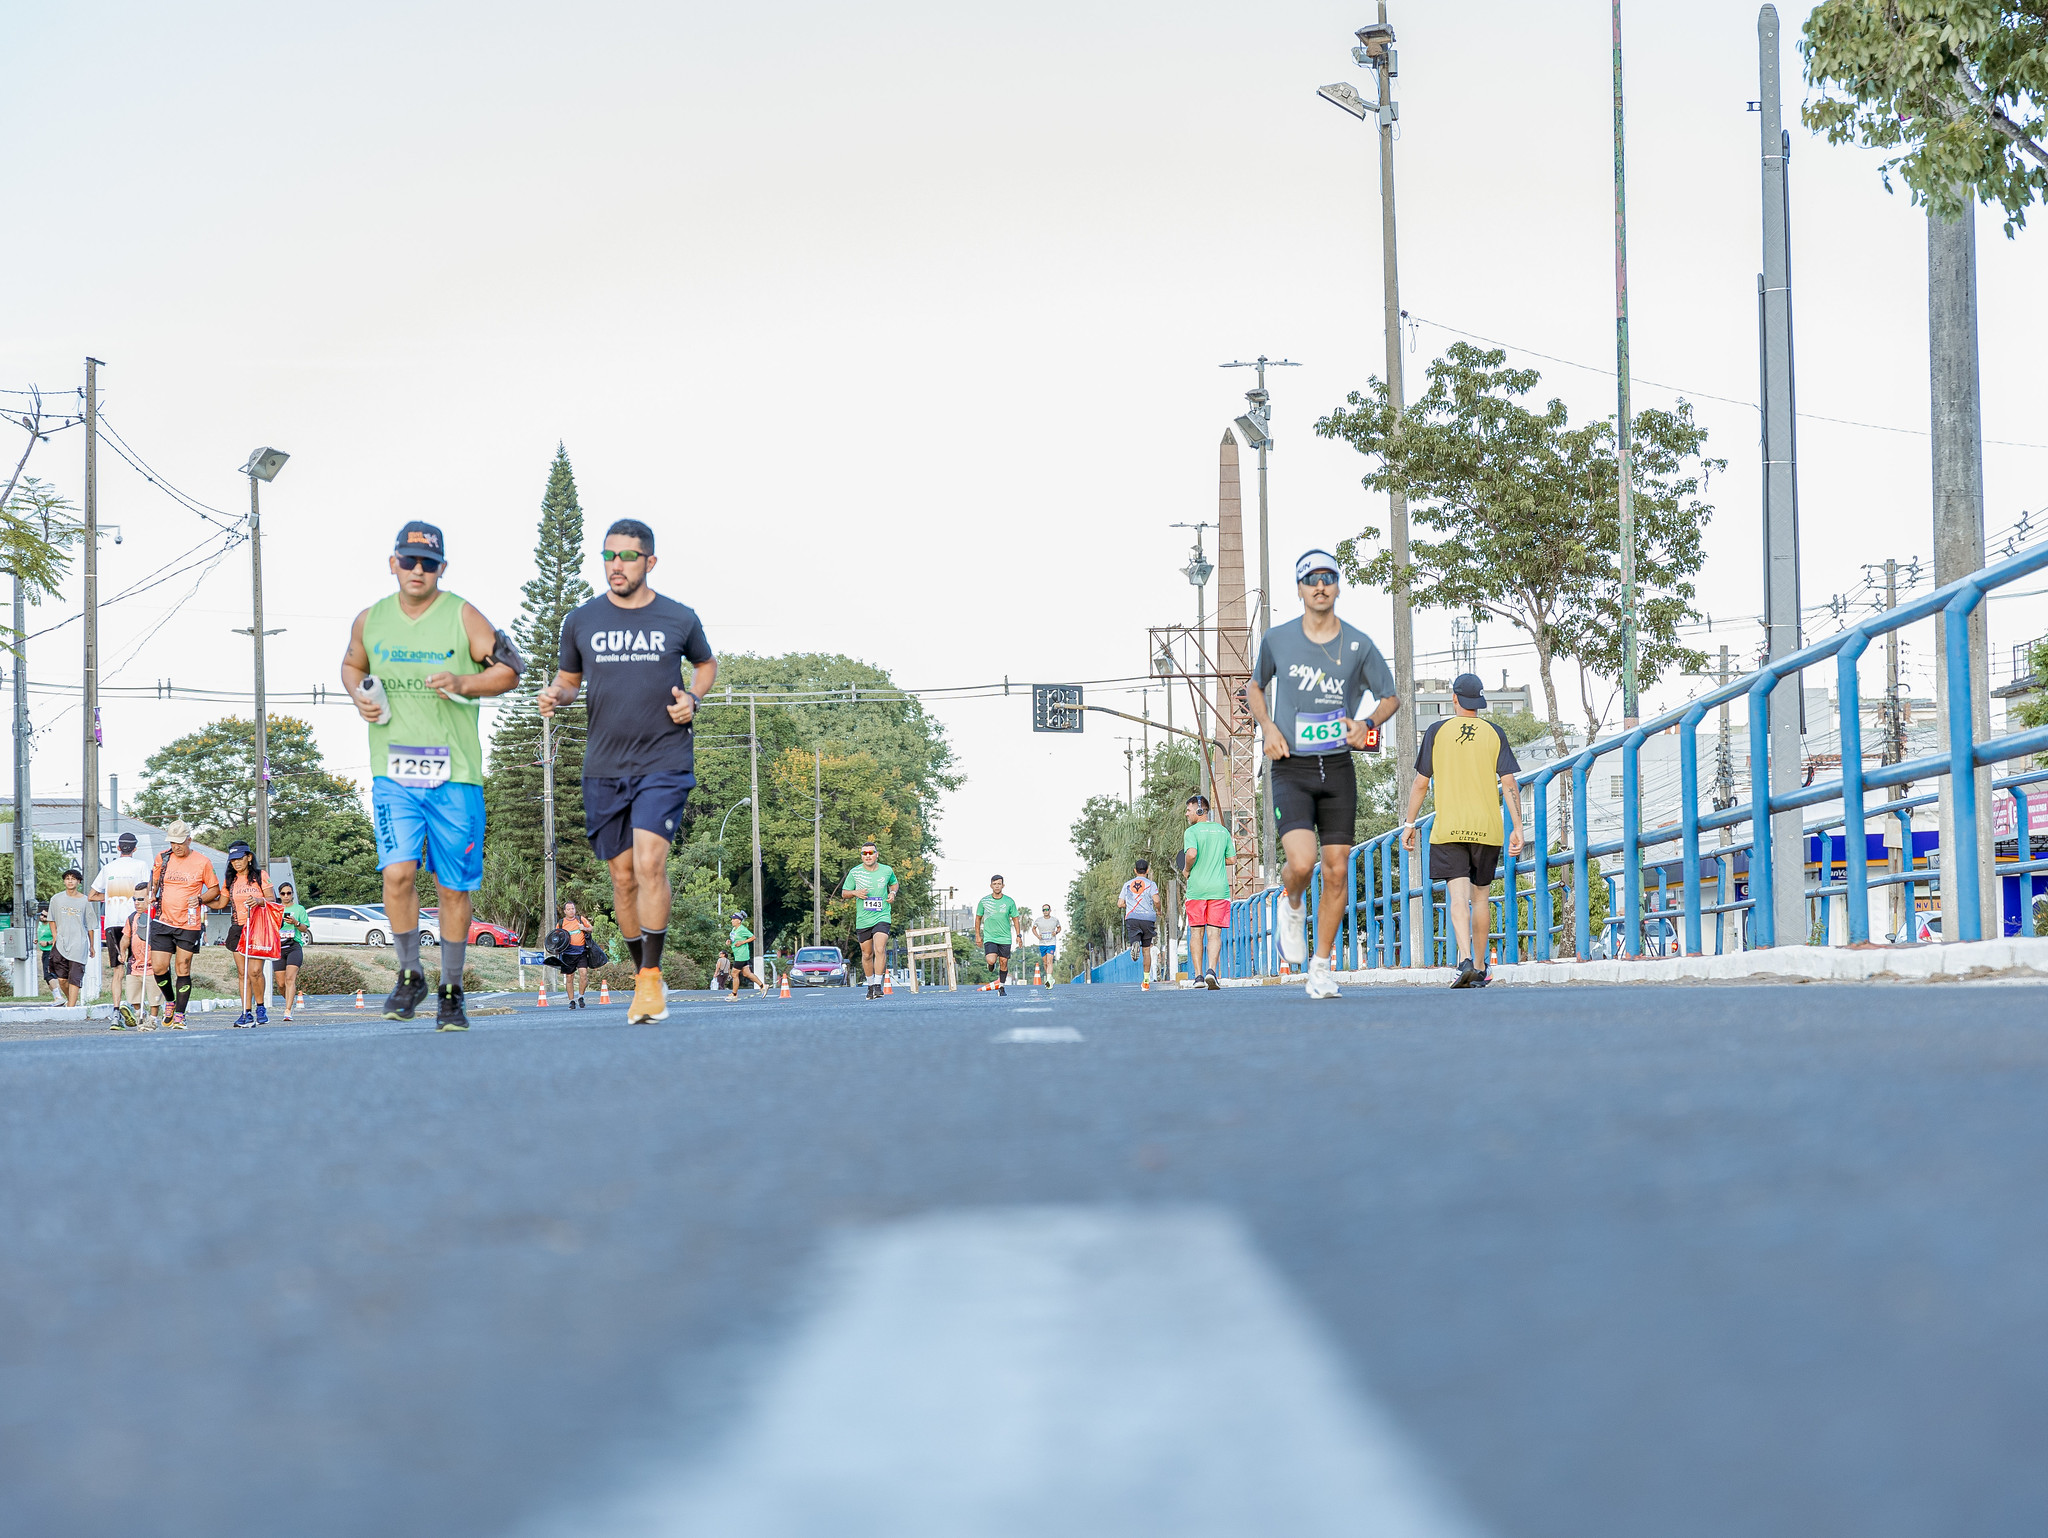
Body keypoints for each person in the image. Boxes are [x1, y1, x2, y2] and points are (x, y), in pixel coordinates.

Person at [342, 519, 522, 1031]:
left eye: (427, 563)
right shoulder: (370, 620)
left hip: (455, 775)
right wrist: (358, 695)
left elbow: (511, 670)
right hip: (393, 774)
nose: (416, 570)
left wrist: (465, 679)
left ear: (441, 568)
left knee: (452, 888)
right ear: (392, 563)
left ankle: (451, 987)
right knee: (397, 872)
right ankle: (410, 973)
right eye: (408, 560)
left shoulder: (462, 615)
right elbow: (351, 666)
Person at [539, 518, 717, 1025]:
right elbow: (570, 680)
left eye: (628, 556)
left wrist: (694, 698)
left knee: (649, 864)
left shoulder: (678, 618)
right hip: (604, 768)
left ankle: (650, 978)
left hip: (664, 761)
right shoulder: (581, 621)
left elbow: (705, 664)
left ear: (650, 562)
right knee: (621, 878)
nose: (616, 565)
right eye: (608, 555)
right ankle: (644, 972)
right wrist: (557, 694)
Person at [1247, 547, 1402, 1002]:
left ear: (1337, 586)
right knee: (1302, 862)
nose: (1320, 586)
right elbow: (1255, 687)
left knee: (1337, 871)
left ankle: (1321, 967)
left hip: (1337, 766)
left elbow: (1390, 697)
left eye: (1328, 578)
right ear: (1299, 589)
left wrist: (1368, 724)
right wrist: (1268, 726)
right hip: (1290, 767)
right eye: (1311, 579)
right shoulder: (1278, 640)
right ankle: (1291, 903)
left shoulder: (1358, 644)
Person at [1402, 672, 1525, 988]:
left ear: (1454, 698)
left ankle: (1465, 959)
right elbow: (1509, 782)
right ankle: (1481, 968)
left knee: (1457, 897)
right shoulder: (1494, 733)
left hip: (1450, 828)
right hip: (1488, 828)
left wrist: (1410, 824)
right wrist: (1518, 828)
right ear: (1480, 702)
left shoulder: (1436, 731)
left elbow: (1420, 783)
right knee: (1480, 898)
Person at [147, 821, 218, 1028]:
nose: (176, 846)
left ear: (189, 839)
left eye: (180, 842)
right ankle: (170, 1000)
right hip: (163, 919)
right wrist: (152, 895)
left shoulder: (202, 862)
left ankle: (180, 1014)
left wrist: (201, 899)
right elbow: (155, 882)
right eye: (172, 842)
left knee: (183, 967)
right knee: (159, 967)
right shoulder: (163, 857)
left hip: (189, 922)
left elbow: (214, 889)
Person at [91, 831, 151, 1018]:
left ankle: (116, 1010)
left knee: (118, 970)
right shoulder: (141, 865)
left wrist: (110, 896)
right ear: (135, 848)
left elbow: (92, 895)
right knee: (138, 966)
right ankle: (138, 1008)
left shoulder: (108, 867)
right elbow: (146, 893)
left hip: (112, 922)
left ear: (118, 848)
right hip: (134, 921)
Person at [219, 842, 278, 1026]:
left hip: (257, 927)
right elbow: (221, 902)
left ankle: (260, 1006)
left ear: (249, 857)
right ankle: (246, 1012)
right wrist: (199, 901)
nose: (236, 863)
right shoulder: (231, 880)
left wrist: (259, 901)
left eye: (240, 858)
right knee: (242, 972)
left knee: (255, 971)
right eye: (233, 860)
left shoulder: (260, 876)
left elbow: (272, 899)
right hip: (238, 928)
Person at [1181, 793, 1236, 990]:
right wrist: (1213, 858)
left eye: (1188, 811)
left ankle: (1197, 977)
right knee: (1214, 934)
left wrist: (1187, 869)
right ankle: (1211, 971)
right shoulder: (1223, 831)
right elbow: (1232, 859)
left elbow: (1192, 853)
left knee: (1197, 933)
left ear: (1199, 810)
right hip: (1219, 890)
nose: (1186, 815)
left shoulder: (1192, 832)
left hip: (1197, 890)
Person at [839, 842, 898, 1000]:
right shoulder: (855, 872)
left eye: (870, 852)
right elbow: (844, 893)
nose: (868, 856)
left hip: (882, 915)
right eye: (864, 853)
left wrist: (892, 893)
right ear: (861, 856)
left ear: (877, 854)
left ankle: (878, 985)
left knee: (880, 948)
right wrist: (855, 892)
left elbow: (894, 883)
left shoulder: (887, 870)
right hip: (864, 919)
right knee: (867, 954)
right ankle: (870, 986)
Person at [46, 869, 91, 1007]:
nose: (70, 881)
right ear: (64, 881)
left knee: (75, 977)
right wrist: (55, 936)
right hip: (61, 942)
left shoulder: (85, 900)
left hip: (79, 943)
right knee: (62, 979)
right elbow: (51, 919)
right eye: (67, 878)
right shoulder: (56, 899)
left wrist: (93, 945)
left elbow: (89, 924)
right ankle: (72, 1003)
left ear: (78, 881)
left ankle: (71, 1009)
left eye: (73, 878)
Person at [974, 875, 1020, 996]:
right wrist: (978, 935)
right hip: (990, 937)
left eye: (999, 884)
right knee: (991, 959)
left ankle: (1001, 987)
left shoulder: (1009, 901)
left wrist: (1018, 935)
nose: (997, 886)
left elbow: (1015, 918)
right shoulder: (984, 901)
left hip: (1005, 937)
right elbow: (978, 918)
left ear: (1003, 886)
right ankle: (991, 965)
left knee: (1004, 962)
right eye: (995, 884)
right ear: (991, 886)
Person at [1119, 859, 1159, 983]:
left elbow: (1120, 903)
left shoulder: (1127, 884)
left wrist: (1130, 905)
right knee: (1146, 950)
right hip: (1148, 919)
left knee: (1135, 938)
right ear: (1147, 870)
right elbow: (1156, 901)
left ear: (1135, 870)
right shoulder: (1151, 884)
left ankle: (1134, 943)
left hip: (1132, 918)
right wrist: (1159, 911)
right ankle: (1146, 981)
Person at [276, 882, 309, 1021]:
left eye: (288, 893)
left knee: (290, 978)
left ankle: (288, 1010)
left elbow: (305, 928)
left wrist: (295, 922)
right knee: (281, 984)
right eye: (283, 893)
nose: (286, 896)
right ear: (279, 895)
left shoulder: (299, 909)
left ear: (292, 894)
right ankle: (290, 998)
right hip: (278, 946)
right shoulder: (276, 908)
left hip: (294, 945)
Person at [558, 900, 594, 1008]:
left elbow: (591, 928)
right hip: (568, 953)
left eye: (572, 909)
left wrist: (584, 928)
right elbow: (555, 937)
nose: (571, 911)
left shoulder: (580, 919)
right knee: (569, 977)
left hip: (581, 951)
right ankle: (571, 1001)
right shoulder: (561, 923)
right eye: (568, 909)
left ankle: (581, 997)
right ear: (565, 911)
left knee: (583, 974)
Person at [727, 911, 758, 1000]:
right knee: (746, 973)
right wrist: (729, 941)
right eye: (732, 919)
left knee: (734, 973)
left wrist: (742, 942)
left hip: (742, 954)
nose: (732, 921)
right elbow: (734, 939)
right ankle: (763, 986)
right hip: (737, 954)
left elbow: (753, 937)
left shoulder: (742, 929)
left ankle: (734, 994)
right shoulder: (734, 929)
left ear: (739, 921)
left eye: (734, 919)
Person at [1033, 903, 1061, 986]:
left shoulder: (1054, 920)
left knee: (1049, 961)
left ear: (1050, 910)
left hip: (1051, 943)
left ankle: (1049, 979)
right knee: (1045, 963)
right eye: (1044, 910)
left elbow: (1059, 927)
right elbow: (1033, 929)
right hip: (1042, 944)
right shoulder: (1038, 920)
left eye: (1047, 909)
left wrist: (1056, 932)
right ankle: (1050, 977)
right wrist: (1038, 936)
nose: (1045, 911)